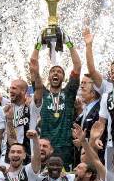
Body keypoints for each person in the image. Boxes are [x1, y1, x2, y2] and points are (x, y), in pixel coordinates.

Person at [29, 27, 81, 169]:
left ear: (63, 77)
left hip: (66, 147)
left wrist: (69, 43)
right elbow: (33, 67)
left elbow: (77, 66)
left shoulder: (69, 93)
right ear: (49, 76)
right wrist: (38, 45)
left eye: (59, 71)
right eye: (53, 71)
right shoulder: (43, 93)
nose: (55, 73)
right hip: (46, 146)